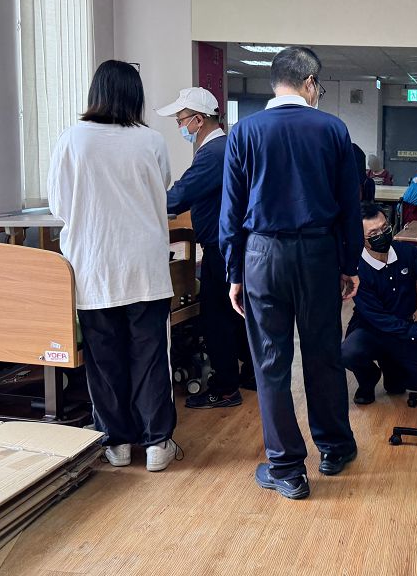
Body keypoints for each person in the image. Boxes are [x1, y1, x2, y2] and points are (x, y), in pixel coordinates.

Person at [220, 46, 361, 500]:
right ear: (309, 82)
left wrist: (234, 272)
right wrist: (350, 264)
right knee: (323, 353)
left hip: (262, 255)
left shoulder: (244, 132)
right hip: (318, 253)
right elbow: (350, 205)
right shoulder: (333, 130)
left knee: (270, 362)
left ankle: (286, 468)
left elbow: (231, 211)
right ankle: (334, 448)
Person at [47, 60, 178, 471]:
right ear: (135, 96)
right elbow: (164, 187)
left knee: (104, 360)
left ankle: (117, 443)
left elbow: (58, 205)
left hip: (93, 265)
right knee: (150, 357)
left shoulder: (72, 139)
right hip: (144, 267)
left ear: (96, 93)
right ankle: (156, 444)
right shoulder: (151, 140)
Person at [157, 87, 254, 409]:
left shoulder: (213, 153)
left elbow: (179, 196)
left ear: (198, 120)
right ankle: (250, 374)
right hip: (232, 244)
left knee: (217, 319)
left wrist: (141, 202)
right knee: (236, 315)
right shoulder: (227, 147)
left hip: (221, 248)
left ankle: (225, 389)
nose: (180, 126)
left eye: (181, 120)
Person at [342, 203, 417, 405]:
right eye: (373, 233)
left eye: (385, 227)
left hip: (403, 329)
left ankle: (393, 368)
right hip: (370, 329)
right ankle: (368, 379)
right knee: (348, 352)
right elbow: (377, 317)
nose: (382, 234)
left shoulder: (406, 252)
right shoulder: (356, 268)